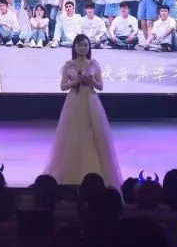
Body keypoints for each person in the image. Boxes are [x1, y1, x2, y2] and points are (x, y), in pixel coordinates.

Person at [44, 34, 123, 189]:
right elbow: (63, 86)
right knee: (72, 133)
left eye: (85, 45)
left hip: (91, 101)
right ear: (74, 47)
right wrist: (76, 81)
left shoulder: (94, 64)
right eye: (80, 45)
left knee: (93, 133)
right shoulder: (68, 65)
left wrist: (91, 81)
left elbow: (100, 86)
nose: (83, 48)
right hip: (73, 102)